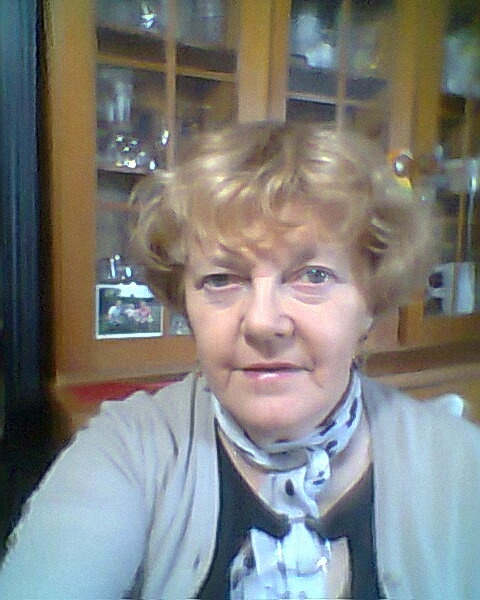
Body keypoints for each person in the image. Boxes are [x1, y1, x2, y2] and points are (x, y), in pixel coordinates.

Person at [1, 122, 479, 599]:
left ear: (370, 303)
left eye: (313, 275)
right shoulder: (128, 452)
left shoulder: (460, 464)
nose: (263, 323)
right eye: (221, 279)